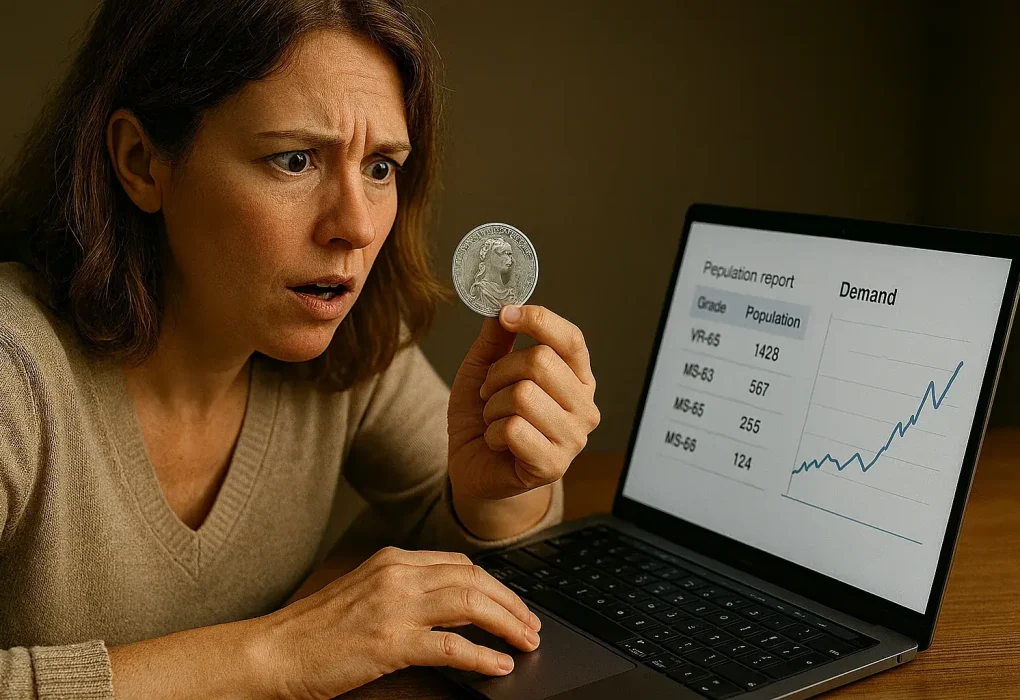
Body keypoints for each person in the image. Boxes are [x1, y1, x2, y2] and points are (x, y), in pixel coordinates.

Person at [0, 1, 600, 698]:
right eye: (294, 160)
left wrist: (497, 492)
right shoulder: (14, 373)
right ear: (141, 163)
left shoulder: (351, 342)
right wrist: (277, 655)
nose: (355, 227)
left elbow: (459, 534)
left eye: (380, 167)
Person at [469, 237, 517, 312]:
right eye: (507, 254)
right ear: (493, 257)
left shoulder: (511, 293)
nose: (512, 260)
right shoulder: (480, 290)